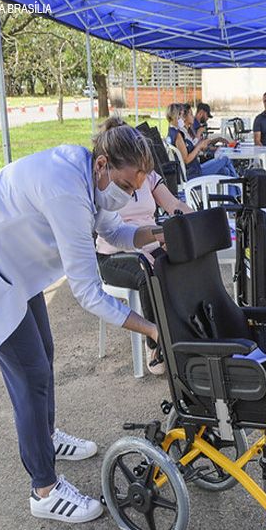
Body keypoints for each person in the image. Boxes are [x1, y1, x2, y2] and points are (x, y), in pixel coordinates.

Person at [0, 117, 161, 524]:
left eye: (135, 189)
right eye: (127, 187)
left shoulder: (88, 173)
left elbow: (114, 233)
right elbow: (88, 292)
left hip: (11, 262)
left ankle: (47, 438)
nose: (129, 196)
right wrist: (148, 328)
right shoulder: (66, 189)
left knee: (46, 352)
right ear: (104, 164)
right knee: (31, 373)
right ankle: (44, 488)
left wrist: (158, 233)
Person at [96, 118, 194, 375]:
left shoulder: (147, 176)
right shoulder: (108, 181)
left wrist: (191, 218)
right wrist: (160, 237)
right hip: (114, 255)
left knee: (180, 264)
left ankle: (184, 332)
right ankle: (156, 343)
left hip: (147, 244)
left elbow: (173, 204)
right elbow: (115, 234)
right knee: (147, 274)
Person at [167, 103, 236, 179]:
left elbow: (189, 153)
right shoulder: (178, 135)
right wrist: (199, 146)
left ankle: (236, 188)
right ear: (177, 116)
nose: (183, 119)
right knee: (225, 159)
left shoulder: (172, 132)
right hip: (193, 173)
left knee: (225, 171)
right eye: (182, 116)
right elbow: (186, 160)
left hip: (194, 168)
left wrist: (200, 146)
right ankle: (240, 184)